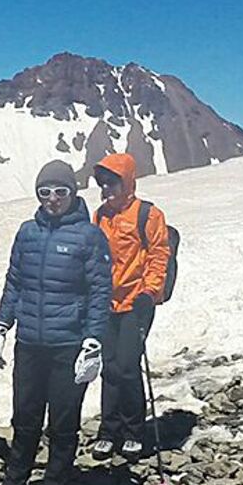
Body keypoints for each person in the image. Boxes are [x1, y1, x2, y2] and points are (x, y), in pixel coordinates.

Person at [0, 161, 112, 485]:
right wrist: (1, 324)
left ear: (73, 194)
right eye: (45, 192)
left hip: (68, 346)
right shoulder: (27, 233)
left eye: (60, 191)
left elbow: (99, 292)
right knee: (24, 422)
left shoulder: (89, 236)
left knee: (63, 425)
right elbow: (14, 282)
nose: (53, 199)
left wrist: (93, 339)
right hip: (30, 343)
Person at [91, 153, 170, 460]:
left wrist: (149, 293)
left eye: (112, 182)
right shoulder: (100, 216)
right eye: (103, 182)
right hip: (107, 303)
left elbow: (158, 255)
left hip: (137, 303)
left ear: (126, 183)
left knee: (126, 366)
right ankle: (109, 432)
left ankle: (134, 431)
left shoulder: (148, 215)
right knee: (108, 367)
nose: (106, 188)